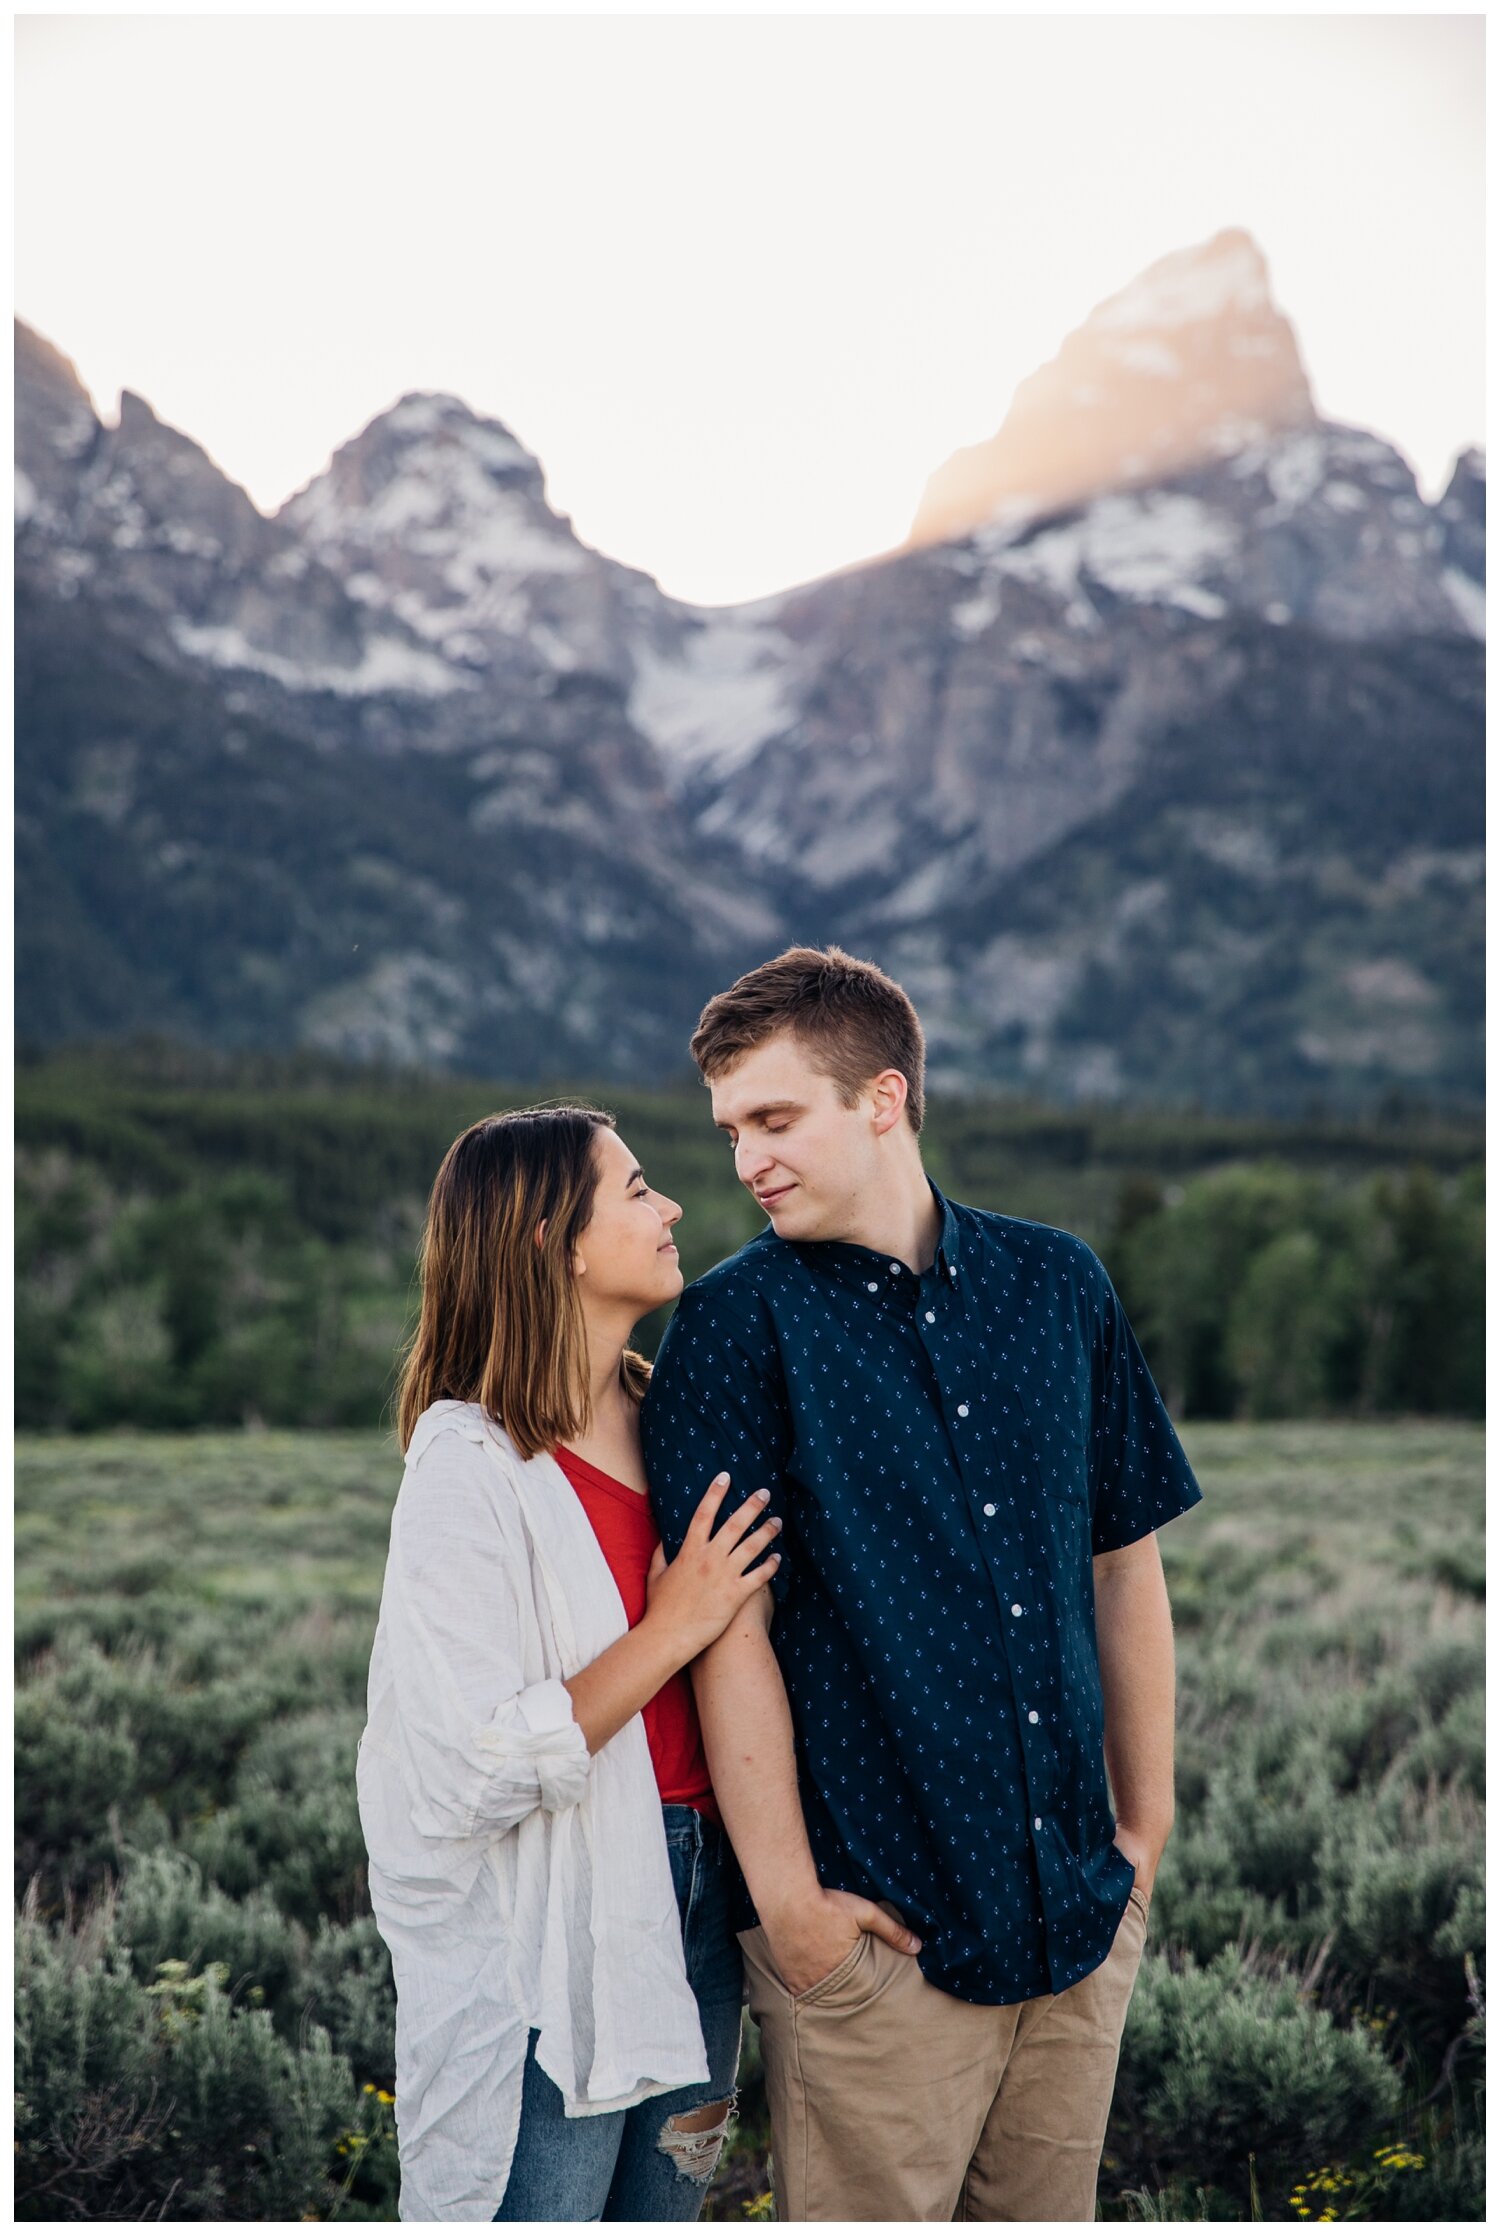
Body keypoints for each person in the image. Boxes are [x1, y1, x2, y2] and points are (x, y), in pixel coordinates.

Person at [640, 946, 1205, 2223]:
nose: (745, 1162)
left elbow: (1126, 1560)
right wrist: (791, 1912)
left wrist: (1145, 1831)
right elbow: (729, 1631)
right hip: (872, 1947)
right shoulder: (737, 1328)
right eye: (731, 1129)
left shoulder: (1059, 1284)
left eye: (774, 1119)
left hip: (1077, 1921)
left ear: (883, 1099)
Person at [357, 1104, 783, 2222]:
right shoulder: (471, 1462)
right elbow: (475, 1760)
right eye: (637, 1188)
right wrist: (670, 1627)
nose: (674, 1204)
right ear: (554, 1239)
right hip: (557, 1928)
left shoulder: (671, 1417)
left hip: (702, 1899)